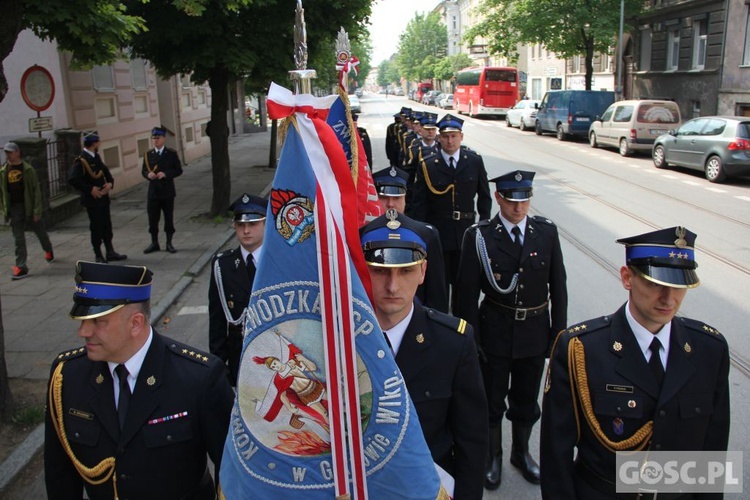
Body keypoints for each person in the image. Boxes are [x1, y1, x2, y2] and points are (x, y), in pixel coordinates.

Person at [540, 227, 730, 499]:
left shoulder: (709, 350)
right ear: (627, 277)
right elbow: (556, 455)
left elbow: (712, 454)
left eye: (679, 285)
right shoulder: (581, 350)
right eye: (655, 284)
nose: (669, 298)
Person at [44, 261, 234, 500]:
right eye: (82, 320)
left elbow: (231, 472)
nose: (83, 331)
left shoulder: (199, 378)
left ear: (135, 323)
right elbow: (59, 475)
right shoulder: (68, 376)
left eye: (97, 321)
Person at [360, 210, 488, 500]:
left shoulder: (453, 344)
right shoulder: (342, 343)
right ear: (363, 271)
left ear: (422, 272)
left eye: (405, 270)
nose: (393, 286)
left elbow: (472, 442)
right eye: (380, 270)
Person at [455, 170, 568, 489]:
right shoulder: (480, 236)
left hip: (534, 331)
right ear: (499, 198)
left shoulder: (545, 233)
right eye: (511, 200)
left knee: (526, 400)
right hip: (495, 331)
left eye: (524, 200)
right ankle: (493, 456)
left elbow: (558, 286)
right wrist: (469, 337)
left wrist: (558, 334)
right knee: (492, 400)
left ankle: (521, 452)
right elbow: (466, 293)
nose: (518, 207)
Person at [410, 113, 492, 300]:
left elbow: (484, 198)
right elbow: (419, 204)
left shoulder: (474, 161)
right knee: (438, 285)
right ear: (439, 138)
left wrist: (484, 227)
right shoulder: (428, 164)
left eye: (454, 136)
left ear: (461, 137)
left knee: (465, 285)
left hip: (466, 232)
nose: (450, 140)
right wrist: (421, 236)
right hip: (438, 233)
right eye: (446, 136)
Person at [208, 193, 266, 386]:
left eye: (253, 224)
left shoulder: (277, 263)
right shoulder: (222, 265)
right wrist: (218, 365)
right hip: (239, 359)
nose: (246, 230)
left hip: (273, 355)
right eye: (240, 225)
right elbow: (217, 320)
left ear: (266, 224)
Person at [371, 165, 448, 313]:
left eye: (397, 198)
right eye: (384, 197)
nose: (391, 204)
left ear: (405, 199)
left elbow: (435, 291)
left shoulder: (426, 235)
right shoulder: (363, 235)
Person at [68, 132, 127, 263]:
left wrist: (110, 183)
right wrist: (90, 189)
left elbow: (106, 172)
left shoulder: (96, 157)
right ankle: (98, 254)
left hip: (103, 198)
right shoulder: (82, 160)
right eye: (98, 142)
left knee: (107, 225)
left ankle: (110, 251)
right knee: (96, 227)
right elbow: (73, 179)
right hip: (92, 201)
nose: (99, 144)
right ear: (94, 143)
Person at [1, 142, 54, 280]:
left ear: (18, 152)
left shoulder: (28, 170)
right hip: (14, 208)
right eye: (6, 152)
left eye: (11, 152)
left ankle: (48, 249)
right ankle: (21, 266)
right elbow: (2, 192)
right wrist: (5, 210)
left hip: (28, 206)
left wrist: (37, 211)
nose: (8, 155)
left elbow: (36, 191)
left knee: (40, 232)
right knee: (19, 239)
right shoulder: (3, 171)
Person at [142, 126, 183, 254]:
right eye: (153, 138)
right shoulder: (148, 155)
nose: (155, 140)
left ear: (164, 139)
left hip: (167, 191)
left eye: (158, 138)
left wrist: (166, 174)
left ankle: (169, 243)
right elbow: (144, 170)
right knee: (153, 219)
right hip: (153, 192)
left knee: (168, 218)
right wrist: (148, 175)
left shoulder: (171, 154)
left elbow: (178, 170)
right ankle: (154, 243)